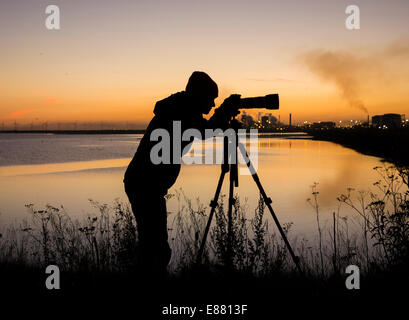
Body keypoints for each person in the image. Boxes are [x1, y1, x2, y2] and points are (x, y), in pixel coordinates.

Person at [124, 71, 239, 274]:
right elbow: (207, 130)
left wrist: (223, 113)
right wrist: (224, 111)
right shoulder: (181, 111)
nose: (212, 105)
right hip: (145, 184)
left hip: (144, 183)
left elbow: (205, 128)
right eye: (211, 99)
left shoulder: (178, 107)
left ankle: (145, 277)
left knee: (151, 245)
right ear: (200, 95)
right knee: (156, 248)